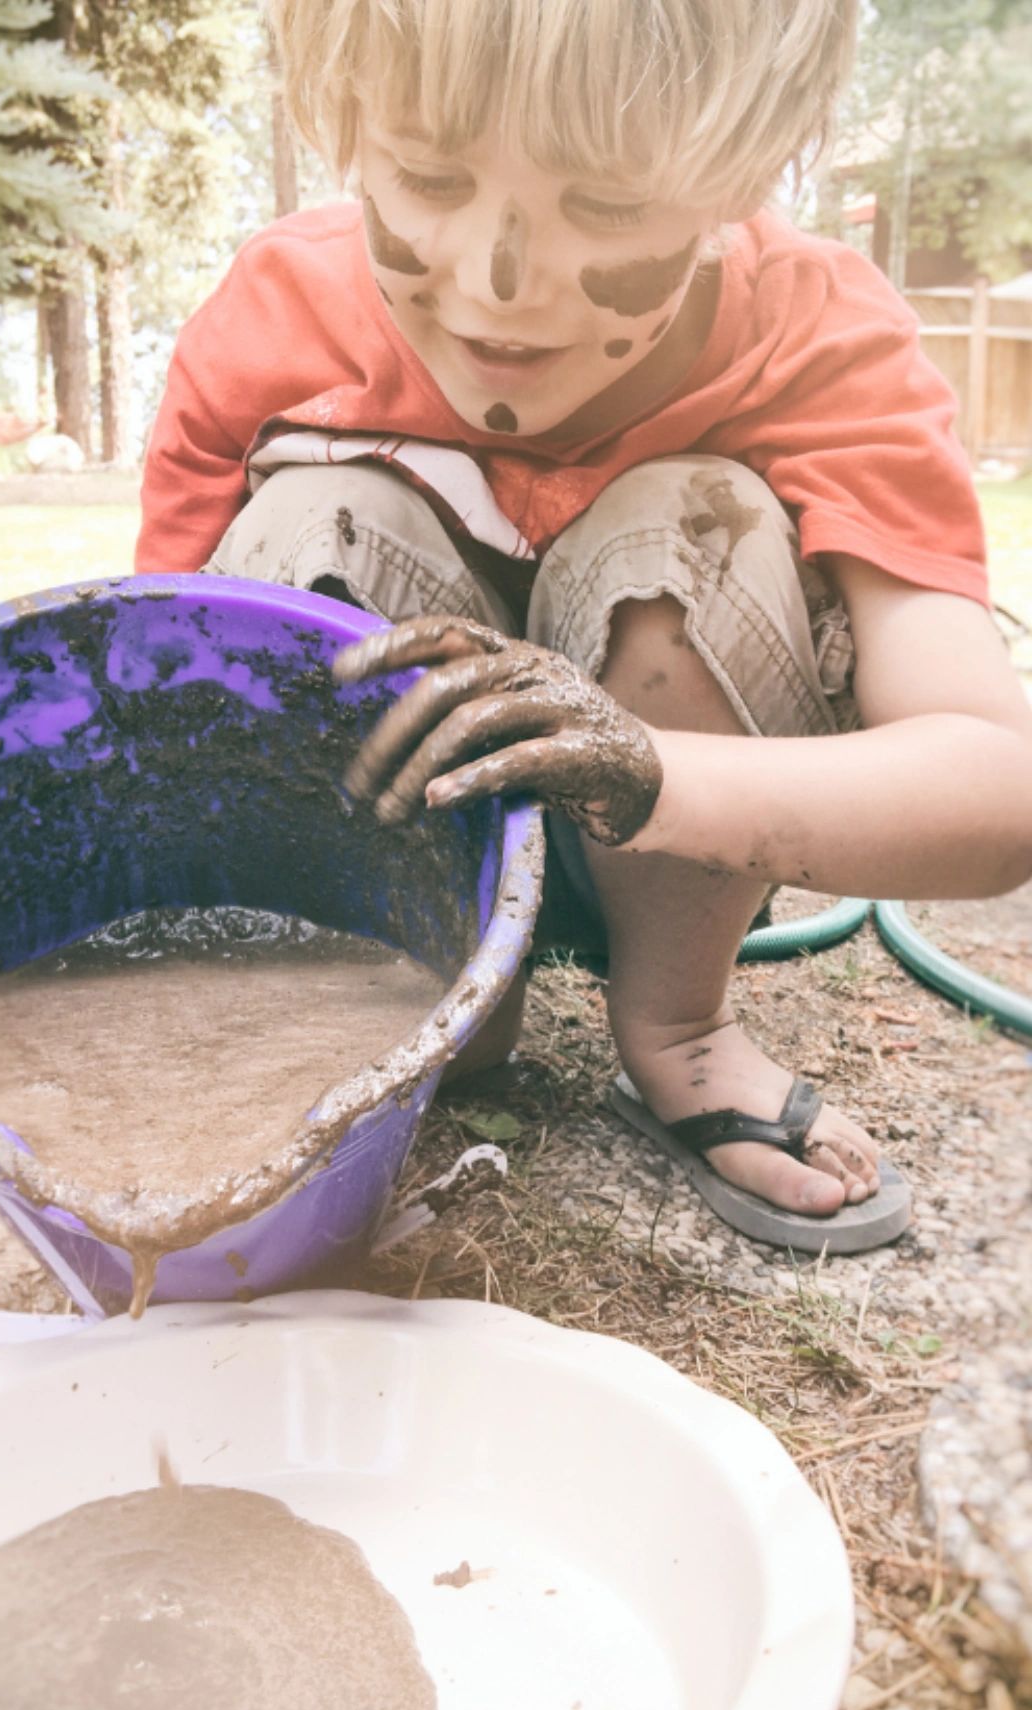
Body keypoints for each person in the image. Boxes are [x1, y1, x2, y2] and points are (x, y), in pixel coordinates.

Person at [135, 0, 1032, 1253]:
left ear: (742, 173)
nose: (500, 281)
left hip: (688, 837)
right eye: (433, 175)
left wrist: (648, 769)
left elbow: (999, 790)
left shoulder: (820, 334)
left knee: (692, 514)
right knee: (319, 509)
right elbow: (153, 705)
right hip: (396, 860)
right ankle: (439, 1007)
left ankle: (680, 1027)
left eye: (606, 204)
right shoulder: (273, 319)